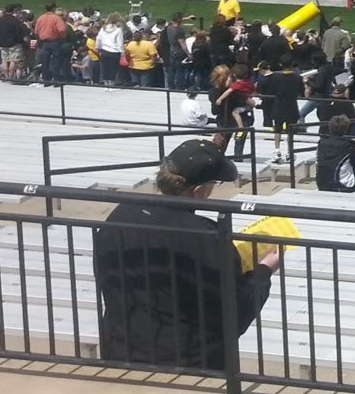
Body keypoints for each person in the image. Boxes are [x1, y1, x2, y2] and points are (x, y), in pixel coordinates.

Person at [92, 141, 276, 370]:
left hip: (120, 350)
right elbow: (235, 314)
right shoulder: (204, 235)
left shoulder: (121, 213)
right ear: (199, 191)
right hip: (191, 361)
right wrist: (263, 270)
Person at [315, 114, 355, 191]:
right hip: (342, 186)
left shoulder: (321, 142)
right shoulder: (349, 145)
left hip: (322, 184)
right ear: (346, 130)